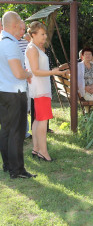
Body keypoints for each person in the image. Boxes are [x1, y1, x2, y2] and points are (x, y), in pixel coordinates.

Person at [25, 21, 66, 162]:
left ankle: (36, 149)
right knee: (42, 121)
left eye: (45, 34)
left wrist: (55, 71)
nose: (45, 37)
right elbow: (35, 71)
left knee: (38, 120)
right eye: (42, 34)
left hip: (41, 88)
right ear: (33, 34)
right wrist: (53, 72)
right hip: (40, 89)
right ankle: (43, 152)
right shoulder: (32, 49)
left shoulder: (35, 47)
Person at [0, 11, 34, 178]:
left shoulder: (1, 42)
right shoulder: (11, 44)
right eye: (20, 23)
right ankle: (17, 170)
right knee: (16, 133)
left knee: (6, 130)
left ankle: (7, 165)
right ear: (13, 25)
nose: (22, 27)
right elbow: (19, 74)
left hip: (3, 92)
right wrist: (27, 74)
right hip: (15, 93)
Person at [18, 20, 32, 140]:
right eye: (21, 29)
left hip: (24, 79)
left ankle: (25, 132)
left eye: (24, 29)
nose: (22, 31)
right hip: (9, 81)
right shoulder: (4, 42)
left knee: (23, 106)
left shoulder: (25, 43)